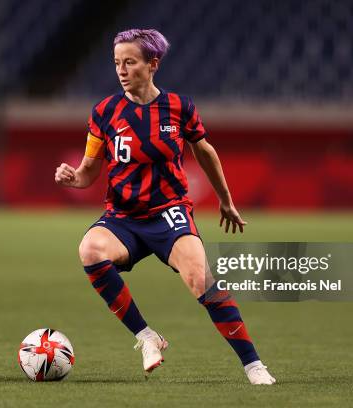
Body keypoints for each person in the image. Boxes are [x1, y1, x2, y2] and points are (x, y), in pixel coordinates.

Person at [54, 28, 275, 385]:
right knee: (90, 249)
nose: (121, 70)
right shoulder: (104, 112)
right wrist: (72, 177)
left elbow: (205, 151)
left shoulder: (179, 107)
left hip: (170, 214)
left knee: (201, 280)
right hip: (123, 218)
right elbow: (88, 172)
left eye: (130, 62)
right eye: (116, 63)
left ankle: (254, 365)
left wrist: (226, 200)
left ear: (152, 64)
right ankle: (146, 337)